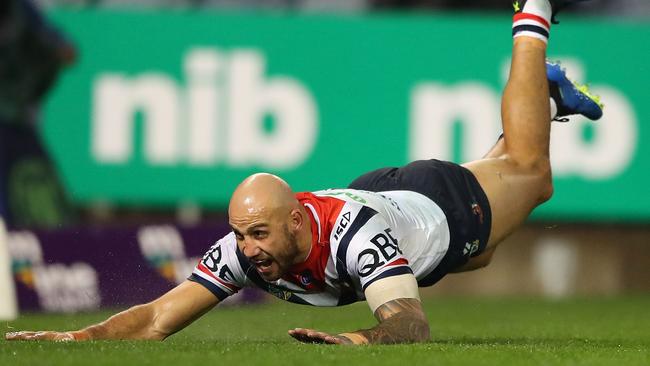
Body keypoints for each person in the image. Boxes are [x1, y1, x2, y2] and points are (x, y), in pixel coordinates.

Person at [5, 0, 603, 345]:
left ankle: (533, 20)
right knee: (479, 254)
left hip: (433, 205)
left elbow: (411, 326)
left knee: (529, 172)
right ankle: (542, 99)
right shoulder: (246, 246)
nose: (247, 249)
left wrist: (357, 340)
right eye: (241, 234)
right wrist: (79, 340)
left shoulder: (357, 243)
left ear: (293, 220)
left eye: (258, 235)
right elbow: (160, 316)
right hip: (381, 197)